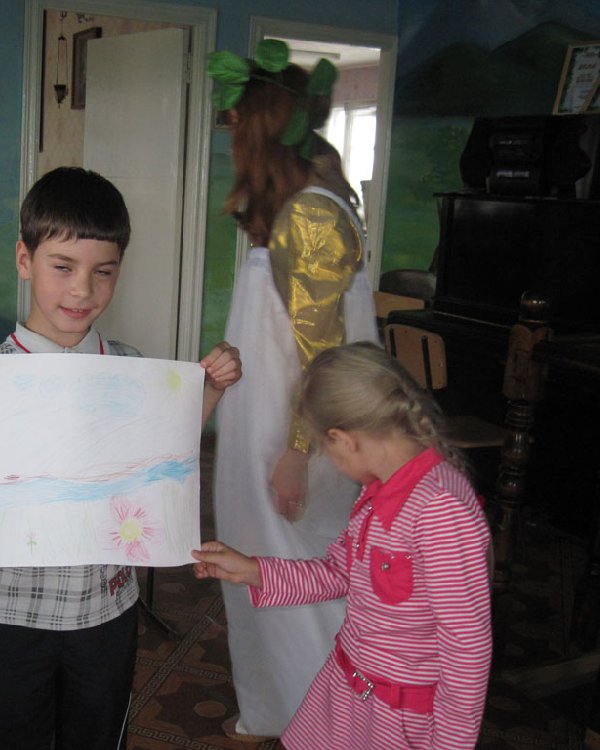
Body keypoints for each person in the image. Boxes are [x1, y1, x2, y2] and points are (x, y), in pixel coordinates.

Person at [0, 166, 242, 750]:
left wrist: (212, 391)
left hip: (107, 612)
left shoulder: (131, 368)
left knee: (97, 736)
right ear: (24, 260)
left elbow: (161, 459)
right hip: (11, 614)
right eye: (63, 267)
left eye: (103, 272)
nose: (82, 290)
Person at [206, 39, 381, 740]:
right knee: (266, 570)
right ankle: (278, 706)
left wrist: (297, 453)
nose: (232, 141)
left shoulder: (310, 216)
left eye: (237, 126)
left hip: (293, 434)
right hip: (267, 428)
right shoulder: (296, 208)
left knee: (299, 577)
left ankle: (330, 723)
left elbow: (326, 355)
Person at [193, 342, 493, 749]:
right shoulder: (378, 491)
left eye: (325, 448)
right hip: (349, 691)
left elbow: (467, 648)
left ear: (343, 439)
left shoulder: (440, 509)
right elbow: (339, 572)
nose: (332, 462)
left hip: (398, 719)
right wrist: (253, 570)